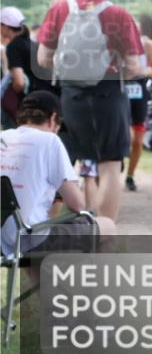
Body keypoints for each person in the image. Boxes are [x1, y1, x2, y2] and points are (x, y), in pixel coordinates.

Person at [36, 0, 144, 221]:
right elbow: (135, 66)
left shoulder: (59, 10)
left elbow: (43, 59)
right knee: (109, 164)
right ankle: (104, 233)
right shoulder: (119, 15)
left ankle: (47, 229)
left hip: (70, 95)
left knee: (64, 163)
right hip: (108, 95)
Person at [0, 92, 115, 262]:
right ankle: (100, 285)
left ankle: (44, 287)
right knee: (108, 226)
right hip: (29, 240)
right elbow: (77, 204)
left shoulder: (3, 137)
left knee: (36, 230)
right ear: (53, 118)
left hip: (3, 244)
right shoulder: (50, 141)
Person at [124, 15, 152, 192]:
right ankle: (117, 160)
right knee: (123, 134)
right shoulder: (116, 45)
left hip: (139, 93)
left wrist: (144, 72)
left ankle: (130, 175)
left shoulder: (148, 45)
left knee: (138, 140)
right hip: (119, 92)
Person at [1, 7, 30, 129]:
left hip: (24, 101)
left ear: (5, 26)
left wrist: (9, 93)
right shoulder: (28, 42)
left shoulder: (14, 46)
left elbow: (19, 83)